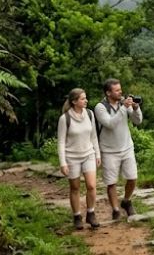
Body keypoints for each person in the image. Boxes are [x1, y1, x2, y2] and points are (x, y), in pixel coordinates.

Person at [95, 78, 143, 220]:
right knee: (111, 182)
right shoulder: (100, 107)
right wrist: (123, 108)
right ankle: (115, 210)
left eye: (120, 90)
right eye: (117, 90)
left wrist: (135, 109)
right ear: (108, 93)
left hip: (126, 146)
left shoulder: (124, 104)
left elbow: (137, 121)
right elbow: (110, 124)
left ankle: (126, 201)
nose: (120, 92)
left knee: (132, 177)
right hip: (109, 150)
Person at [57, 88, 101, 230]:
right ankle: (77, 215)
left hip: (88, 154)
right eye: (82, 99)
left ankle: (91, 213)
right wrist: (63, 163)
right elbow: (61, 142)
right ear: (74, 101)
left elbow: (94, 135)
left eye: (85, 98)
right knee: (75, 187)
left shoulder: (90, 114)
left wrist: (97, 154)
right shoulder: (65, 119)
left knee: (91, 186)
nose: (86, 100)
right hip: (72, 157)